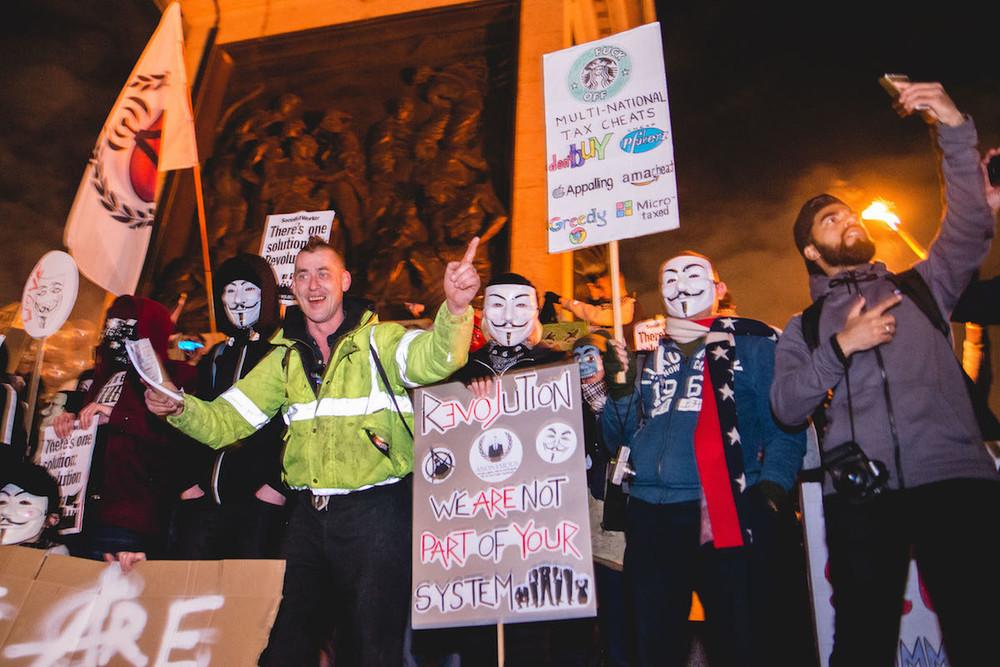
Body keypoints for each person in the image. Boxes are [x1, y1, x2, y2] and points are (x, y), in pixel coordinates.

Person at [145, 235, 480, 667]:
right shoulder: (283, 357)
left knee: (370, 646)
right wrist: (179, 406)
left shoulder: (382, 340)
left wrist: (454, 309)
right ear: (293, 287)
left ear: (344, 280)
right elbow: (225, 422)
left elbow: (436, 359)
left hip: (378, 514)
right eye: (302, 275)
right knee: (283, 640)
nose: (313, 283)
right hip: (308, 517)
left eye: (323, 273)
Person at [771, 82, 1000, 666]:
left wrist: (951, 123)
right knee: (861, 645)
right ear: (811, 253)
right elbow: (787, 406)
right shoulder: (806, 324)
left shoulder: (925, 286)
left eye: (846, 210)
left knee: (982, 632)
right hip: (862, 497)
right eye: (829, 219)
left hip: (956, 482)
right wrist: (840, 347)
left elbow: (971, 222)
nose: (846, 218)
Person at [602, 251, 805, 667]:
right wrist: (619, 392)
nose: (681, 285)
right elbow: (616, 439)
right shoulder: (646, 354)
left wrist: (770, 493)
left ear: (719, 287)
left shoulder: (755, 341)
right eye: (669, 278)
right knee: (655, 647)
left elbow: (785, 422)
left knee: (740, 641)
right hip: (651, 517)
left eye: (692, 274)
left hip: (725, 510)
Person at [170, 253, 290, 560]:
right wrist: (188, 484)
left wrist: (275, 487)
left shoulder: (283, 354)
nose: (238, 299)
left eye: (248, 289)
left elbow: (293, 425)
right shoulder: (215, 357)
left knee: (249, 598)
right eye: (229, 290)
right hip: (204, 504)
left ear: (266, 294)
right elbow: (192, 421)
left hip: (259, 506)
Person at [53, 295, 187, 560]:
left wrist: (117, 417)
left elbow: (174, 440)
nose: (114, 330)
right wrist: (69, 423)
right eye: (111, 322)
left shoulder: (175, 377)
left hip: (128, 516)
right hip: (81, 513)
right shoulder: (98, 378)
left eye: (125, 323)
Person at [0, 461, 68, 555]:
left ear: (51, 519)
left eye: (24, 503)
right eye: (2, 502)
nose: (5, 511)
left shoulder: (53, 556)